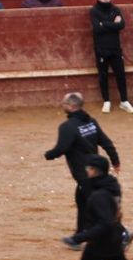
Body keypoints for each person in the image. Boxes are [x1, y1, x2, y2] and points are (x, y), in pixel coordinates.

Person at [44, 93, 120, 242]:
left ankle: (121, 234)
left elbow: (62, 148)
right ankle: (79, 235)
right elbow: (106, 142)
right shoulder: (91, 122)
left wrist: (48, 155)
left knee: (96, 206)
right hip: (95, 169)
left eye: (64, 104)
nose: (62, 105)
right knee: (82, 201)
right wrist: (115, 160)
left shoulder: (67, 127)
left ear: (72, 107)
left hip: (84, 173)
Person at [89, 0, 133, 114]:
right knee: (103, 75)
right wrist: (112, 24)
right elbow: (97, 28)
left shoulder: (116, 9)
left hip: (115, 48)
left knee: (121, 75)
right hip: (101, 49)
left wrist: (104, 23)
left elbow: (121, 25)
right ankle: (106, 101)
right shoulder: (94, 10)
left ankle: (124, 101)